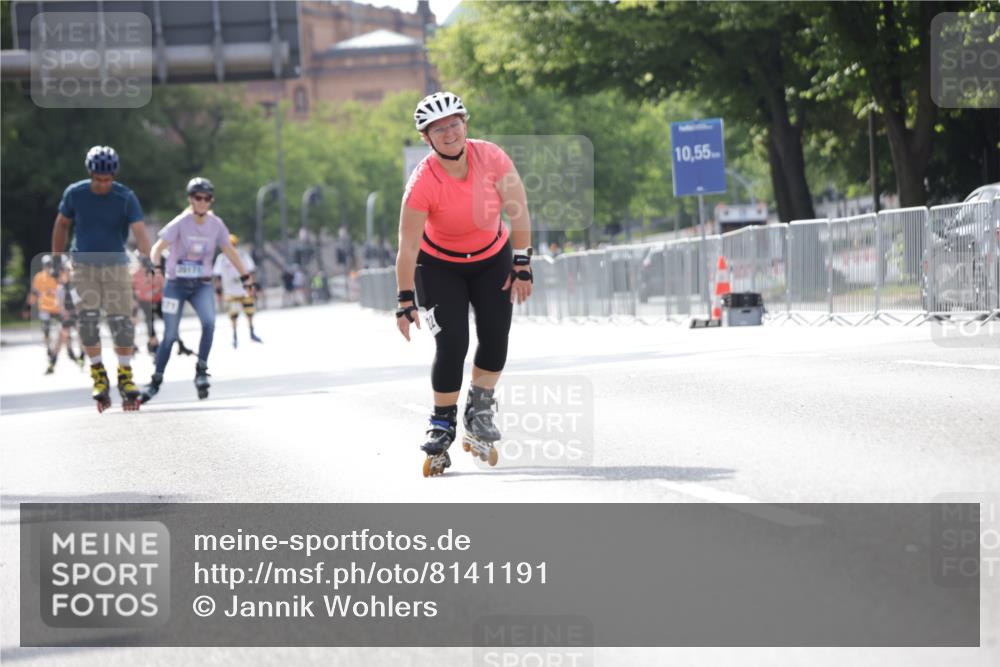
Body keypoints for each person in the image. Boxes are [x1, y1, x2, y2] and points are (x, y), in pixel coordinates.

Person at [395, 91, 533, 477]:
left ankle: (480, 410)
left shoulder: (491, 157)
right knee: (452, 342)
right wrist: (405, 299)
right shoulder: (422, 181)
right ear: (427, 138)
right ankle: (442, 423)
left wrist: (522, 263)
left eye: (454, 124)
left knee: (495, 335)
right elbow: (407, 247)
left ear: (465, 124)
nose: (449, 133)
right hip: (438, 266)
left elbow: (518, 210)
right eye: (438, 129)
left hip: (492, 258)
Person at [52, 145, 153, 411]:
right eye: (98, 179)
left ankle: (125, 375)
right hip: (83, 265)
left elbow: (140, 231)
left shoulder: (125, 197)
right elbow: (61, 224)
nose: (103, 185)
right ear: (91, 174)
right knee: (87, 322)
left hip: (116, 266)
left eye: (108, 179)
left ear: (114, 176)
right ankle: (98, 374)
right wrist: (56, 258)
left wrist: (147, 259)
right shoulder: (75, 193)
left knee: (121, 323)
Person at [140, 177, 252, 403]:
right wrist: (157, 267)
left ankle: (201, 369)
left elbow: (229, 251)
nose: (202, 202)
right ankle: (155, 381)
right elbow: (157, 247)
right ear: (190, 199)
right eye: (197, 198)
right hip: (175, 285)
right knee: (170, 336)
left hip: (201, 284)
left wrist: (245, 277)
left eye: (207, 198)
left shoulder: (216, 224)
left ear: (211, 200)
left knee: (210, 323)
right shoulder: (181, 222)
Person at [213, 233, 262, 348]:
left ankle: (251, 332)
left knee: (249, 312)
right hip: (230, 291)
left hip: (244, 290)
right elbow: (217, 275)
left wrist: (253, 286)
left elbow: (251, 270)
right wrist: (218, 290)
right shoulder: (222, 258)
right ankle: (234, 336)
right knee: (233, 315)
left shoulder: (243, 255)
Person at [25, 255, 64, 374]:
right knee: (46, 330)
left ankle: (67, 350)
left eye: (50, 265)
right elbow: (34, 292)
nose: (48, 267)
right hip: (45, 308)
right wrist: (27, 307)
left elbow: (63, 290)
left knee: (63, 330)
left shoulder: (57, 276)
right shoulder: (38, 277)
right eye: (46, 265)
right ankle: (48, 349)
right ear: (43, 266)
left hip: (57, 308)